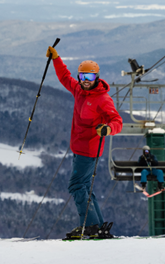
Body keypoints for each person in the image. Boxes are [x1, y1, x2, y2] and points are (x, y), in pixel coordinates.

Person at [46, 46, 123, 239]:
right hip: (78, 147)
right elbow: (65, 78)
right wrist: (56, 58)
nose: (85, 82)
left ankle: (89, 225)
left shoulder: (102, 99)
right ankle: (95, 225)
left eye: (89, 78)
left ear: (96, 77)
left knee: (76, 186)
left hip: (89, 150)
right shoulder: (79, 90)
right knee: (85, 187)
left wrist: (107, 128)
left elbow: (117, 121)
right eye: (82, 77)